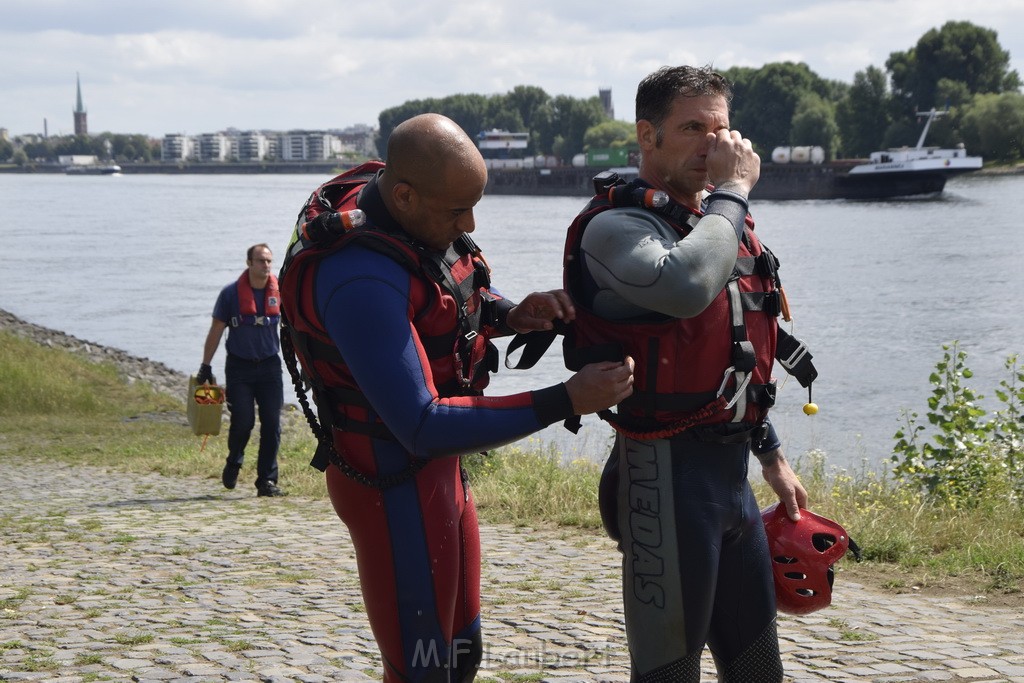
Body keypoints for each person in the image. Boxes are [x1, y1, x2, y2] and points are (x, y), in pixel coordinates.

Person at [278, 113, 635, 682]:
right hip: (389, 484)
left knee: (462, 655)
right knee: (422, 669)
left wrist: (510, 314)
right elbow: (421, 423)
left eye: (474, 206)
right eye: (456, 211)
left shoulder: (411, 217)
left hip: (437, 477)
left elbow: (443, 295)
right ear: (403, 194)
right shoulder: (359, 278)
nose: (468, 223)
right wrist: (566, 399)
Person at [562, 65, 811, 681]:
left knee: (758, 671)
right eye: (692, 128)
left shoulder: (721, 225)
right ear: (647, 137)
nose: (712, 144)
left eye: (721, 129)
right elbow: (687, 285)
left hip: (730, 483)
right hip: (662, 480)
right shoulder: (616, 227)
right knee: (669, 673)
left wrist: (771, 454)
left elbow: (739, 353)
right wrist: (733, 191)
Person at [197, 243, 286, 498]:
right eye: (260, 261)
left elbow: (293, 329)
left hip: (269, 366)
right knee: (243, 421)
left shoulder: (280, 292)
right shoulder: (230, 295)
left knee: (272, 424)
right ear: (249, 263)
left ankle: (266, 481)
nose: (266, 265)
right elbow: (216, 331)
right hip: (240, 368)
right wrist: (206, 365)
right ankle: (234, 461)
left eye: (269, 261)